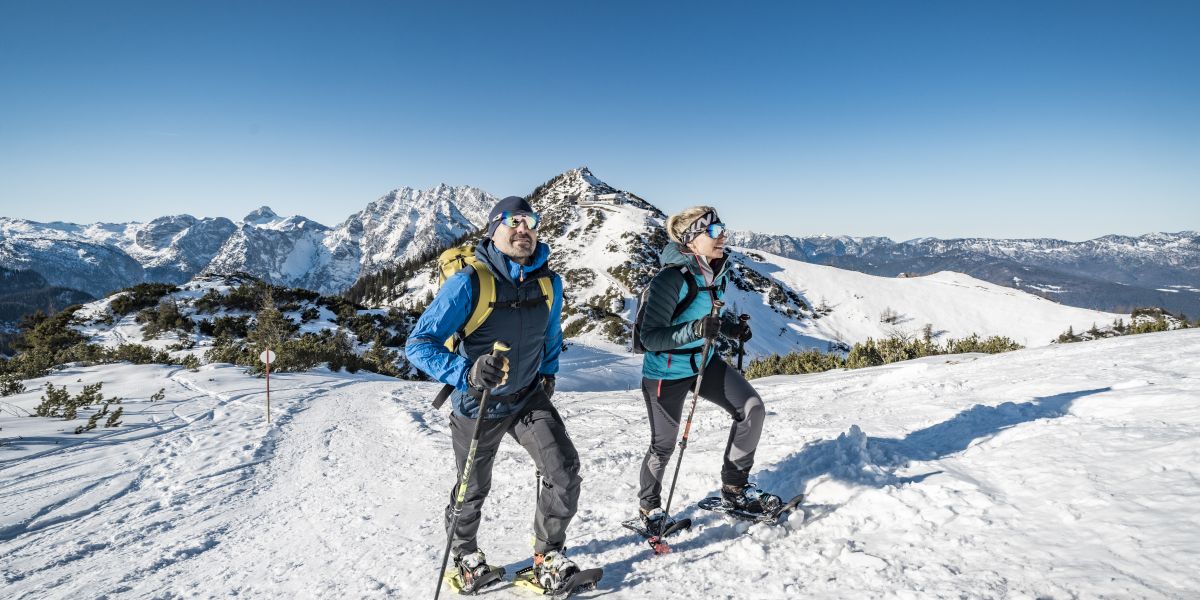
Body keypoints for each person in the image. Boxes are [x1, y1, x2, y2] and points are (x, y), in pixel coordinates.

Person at [406, 196, 582, 593]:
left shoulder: (549, 282)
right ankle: (466, 555)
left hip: (527, 397)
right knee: (472, 488)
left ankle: (547, 556)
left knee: (564, 472)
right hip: (477, 403)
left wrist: (548, 373)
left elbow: (551, 333)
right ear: (493, 230)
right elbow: (418, 344)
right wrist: (466, 371)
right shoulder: (470, 281)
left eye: (531, 222)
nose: (524, 229)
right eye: (513, 221)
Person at [635, 205, 781, 532]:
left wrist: (728, 329)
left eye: (722, 228)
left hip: (703, 362)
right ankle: (649, 508)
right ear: (692, 241)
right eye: (713, 231)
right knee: (664, 445)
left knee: (752, 409)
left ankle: (735, 490)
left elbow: (705, 315)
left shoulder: (717, 270)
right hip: (666, 373)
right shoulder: (670, 279)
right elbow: (651, 337)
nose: (722, 235)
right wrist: (697, 330)